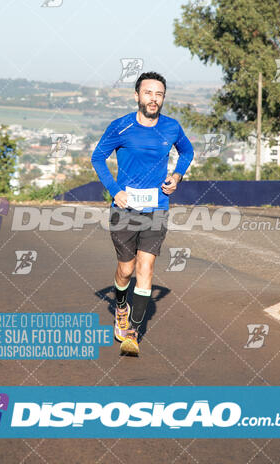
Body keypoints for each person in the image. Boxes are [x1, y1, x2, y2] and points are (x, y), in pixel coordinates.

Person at [91, 72, 194, 356]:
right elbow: (97, 157)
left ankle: (133, 332)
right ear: (137, 96)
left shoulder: (171, 127)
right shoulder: (120, 127)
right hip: (124, 209)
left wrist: (176, 176)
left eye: (159, 94)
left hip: (156, 207)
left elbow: (187, 152)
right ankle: (121, 305)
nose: (153, 99)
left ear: (163, 98)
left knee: (145, 268)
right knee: (126, 269)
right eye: (148, 93)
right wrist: (115, 190)